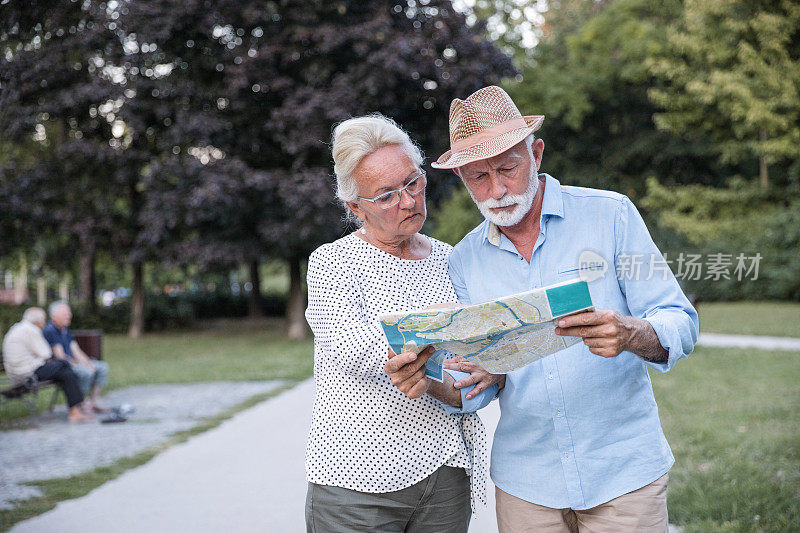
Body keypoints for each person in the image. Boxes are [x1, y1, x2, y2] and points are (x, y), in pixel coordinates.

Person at [388, 86, 699, 532]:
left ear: (536, 154)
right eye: (478, 177)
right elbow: (479, 382)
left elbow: (679, 322)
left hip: (624, 473)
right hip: (526, 486)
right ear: (461, 180)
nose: (496, 190)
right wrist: (434, 381)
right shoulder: (462, 260)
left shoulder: (612, 215)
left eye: (508, 168)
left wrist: (631, 332)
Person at [303, 114, 502, 533]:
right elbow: (351, 346)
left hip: (446, 473)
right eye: (386, 196)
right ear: (355, 207)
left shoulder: (452, 259)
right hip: (356, 486)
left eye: (413, 183)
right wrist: (422, 349)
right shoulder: (331, 262)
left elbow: (474, 358)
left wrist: (491, 365)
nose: (408, 201)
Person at [2, 307, 92, 423]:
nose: (44, 323)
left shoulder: (20, 328)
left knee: (66, 372)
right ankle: (77, 409)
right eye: (43, 319)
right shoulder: (31, 330)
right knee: (64, 364)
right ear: (38, 321)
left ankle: (75, 411)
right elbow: (46, 354)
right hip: (27, 373)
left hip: (18, 372)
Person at [43, 301, 110, 413]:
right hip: (62, 367)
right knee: (86, 372)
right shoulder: (50, 330)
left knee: (102, 367)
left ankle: (93, 402)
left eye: (69, 313)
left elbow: (76, 350)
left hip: (72, 362)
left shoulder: (65, 330)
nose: (69, 315)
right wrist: (81, 365)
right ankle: (79, 404)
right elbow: (60, 356)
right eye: (65, 313)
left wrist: (88, 363)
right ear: (54, 316)